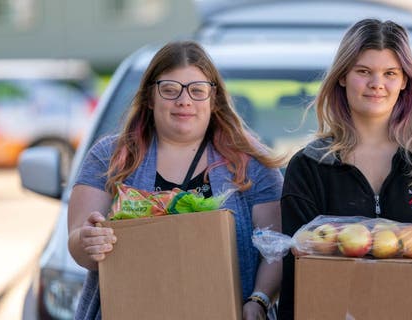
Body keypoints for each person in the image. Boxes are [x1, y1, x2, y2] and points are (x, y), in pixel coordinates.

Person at [277, 19, 412, 319]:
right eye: (363, 71)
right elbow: (297, 281)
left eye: (390, 73)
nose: (377, 84)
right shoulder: (309, 166)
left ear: (405, 81)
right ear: (343, 77)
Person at [68, 41, 284, 320]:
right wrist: (88, 242)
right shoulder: (110, 156)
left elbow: (276, 247)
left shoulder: (253, 163)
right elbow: (77, 241)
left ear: (213, 98)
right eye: (170, 90)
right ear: (149, 97)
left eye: (197, 91)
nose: (184, 101)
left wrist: (259, 300)